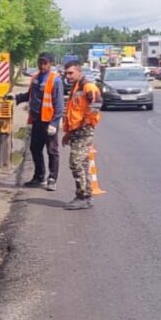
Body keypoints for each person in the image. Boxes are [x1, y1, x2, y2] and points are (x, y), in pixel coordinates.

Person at [16, 52, 64, 191]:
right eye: (40, 63)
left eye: (45, 63)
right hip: (36, 120)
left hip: (48, 122)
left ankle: (52, 178)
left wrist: (54, 123)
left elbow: (59, 105)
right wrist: (16, 98)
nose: (42, 66)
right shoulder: (35, 78)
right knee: (35, 149)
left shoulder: (55, 80)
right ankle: (39, 176)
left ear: (51, 64)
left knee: (52, 151)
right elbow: (29, 95)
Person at [62, 61, 102, 209]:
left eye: (71, 73)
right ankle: (87, 196)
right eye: (66, 73)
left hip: (84, 130)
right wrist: (67, 133)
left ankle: (82, 196)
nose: (68, 76)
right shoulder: (75, 88)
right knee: (82, 164)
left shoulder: (88, 86)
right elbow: (73, 112)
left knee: (75, 162)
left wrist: (85, 122)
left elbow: (97, 104)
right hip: (76, 131)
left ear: (79, 72)